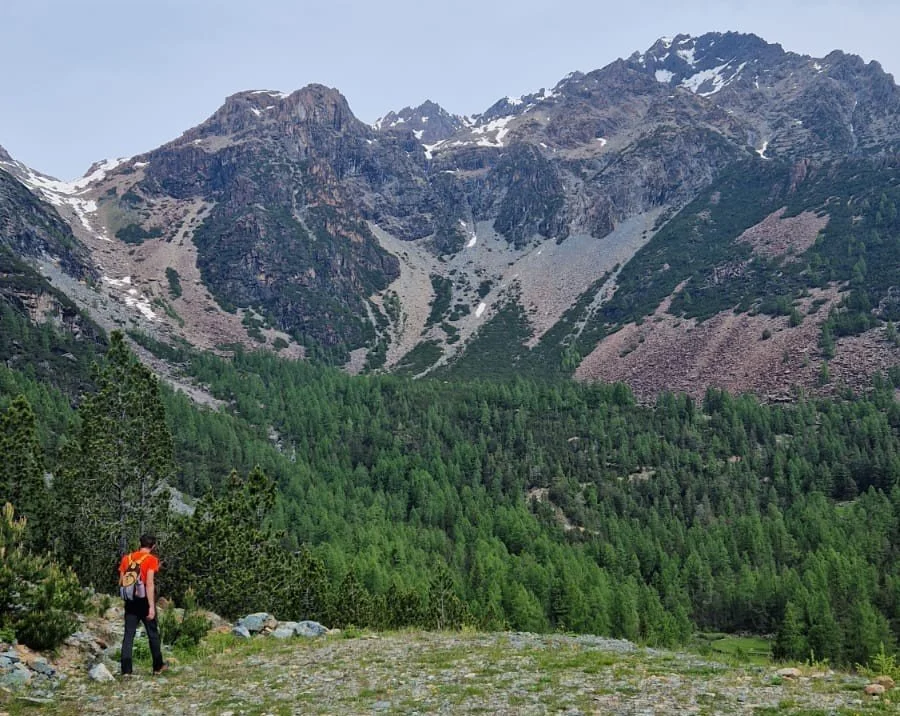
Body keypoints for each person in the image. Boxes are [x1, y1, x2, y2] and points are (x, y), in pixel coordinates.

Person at [118, 534, 166, 676]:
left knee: (129, 635)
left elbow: (121, 581)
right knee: (153, 634)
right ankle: (158, 667)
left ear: (140, 544)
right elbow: (149, 584)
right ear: (153, 546)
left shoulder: (127, 558)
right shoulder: (151, 560)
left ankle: (126, 670)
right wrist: (151, 607)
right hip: (144, 600)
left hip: (130, 601)